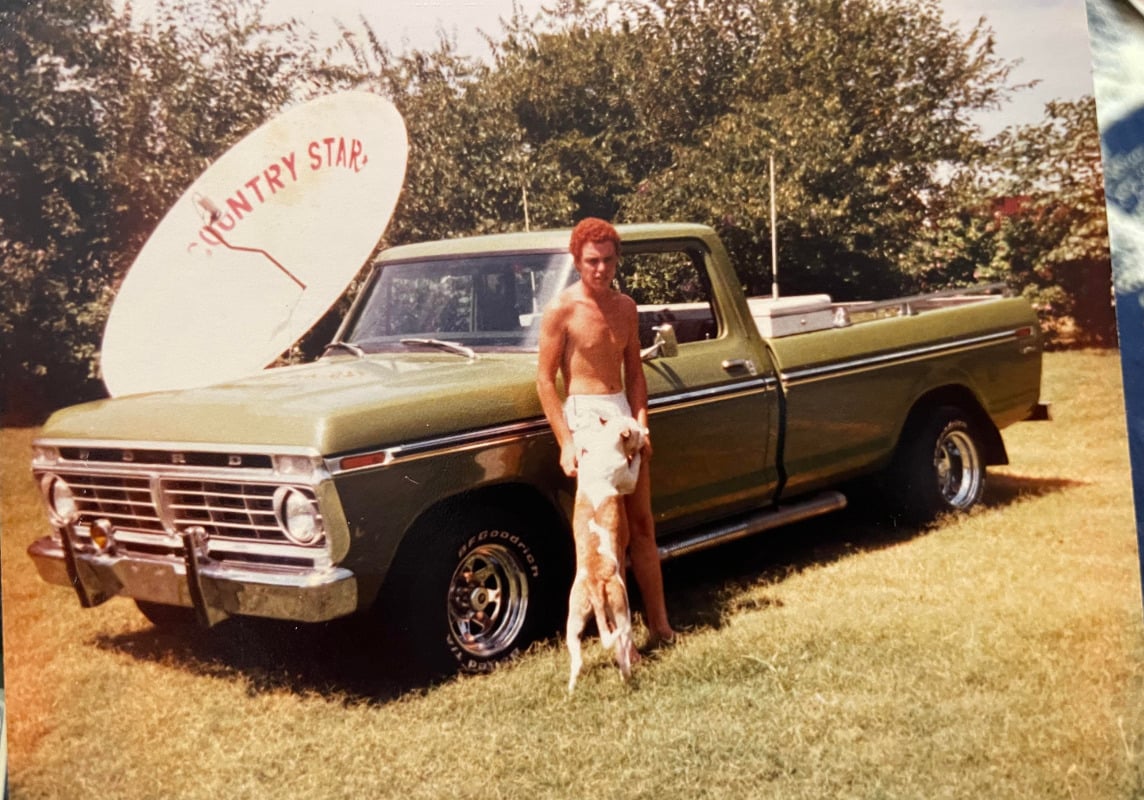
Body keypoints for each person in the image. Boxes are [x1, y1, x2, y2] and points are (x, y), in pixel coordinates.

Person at [537, 217, 676, 646]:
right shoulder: (562, 309)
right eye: (592, 261)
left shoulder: (626, 307)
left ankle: (661, 627)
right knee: (606, 534)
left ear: (617, 260)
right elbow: (544, 381)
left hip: (622, 418)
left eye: (608, 261)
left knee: (642, 525)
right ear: (577, 261)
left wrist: (642, 426)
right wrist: (566, 442)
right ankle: (620, 639)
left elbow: (635, 374)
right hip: (587, 420)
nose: (601, 269)